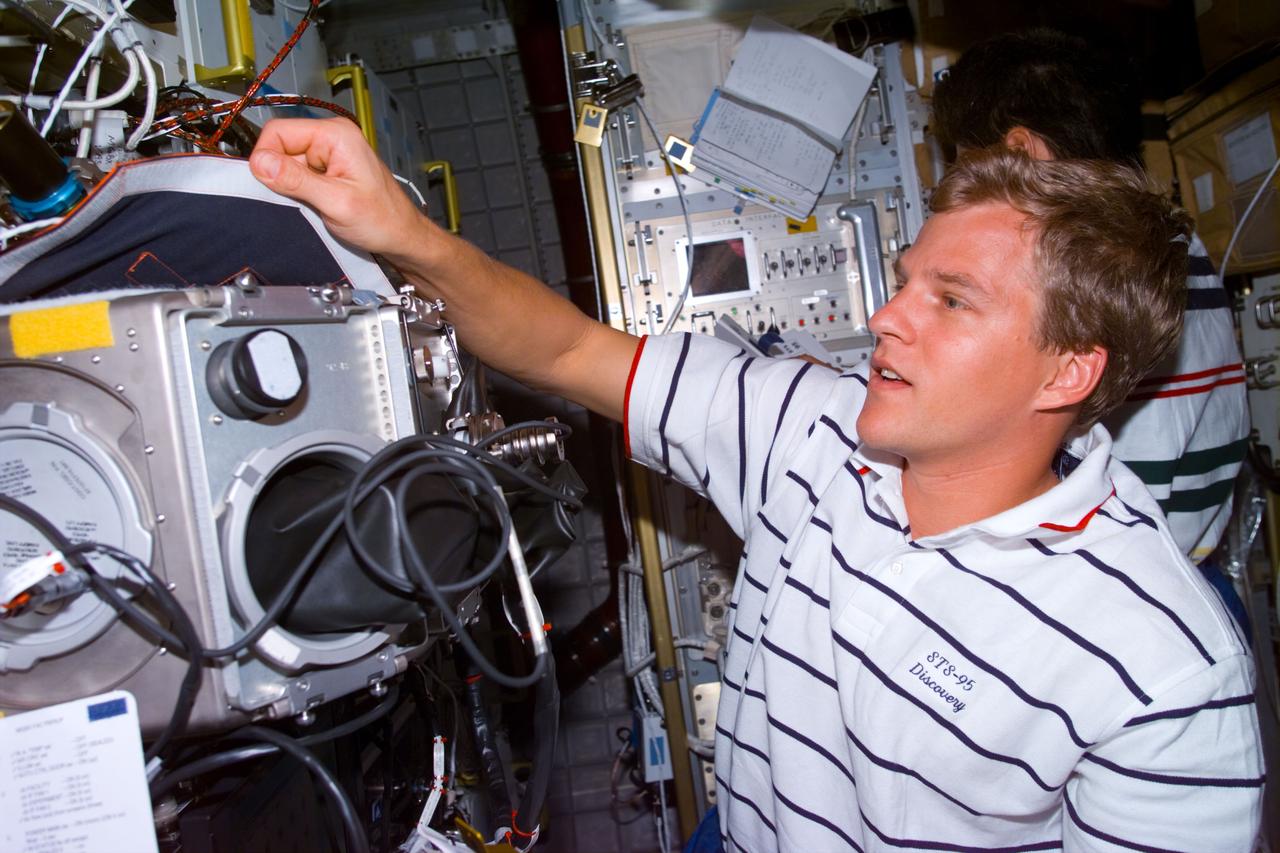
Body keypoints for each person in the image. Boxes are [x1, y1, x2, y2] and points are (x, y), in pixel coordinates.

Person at [248, 118, 1263, 850]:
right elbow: (562, 350)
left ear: (1065, 370)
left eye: (948, 300)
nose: (886, 316)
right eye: (906, 277)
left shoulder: (1161, 664)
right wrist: (399, 233)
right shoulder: (804, 428)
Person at [932, 29, 1251, 569]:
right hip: (1177, 557)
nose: (963, 191)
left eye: (965, 167)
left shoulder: (1090, 265)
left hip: (1134, 577)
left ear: (1019, 151)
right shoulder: (1165, 238)